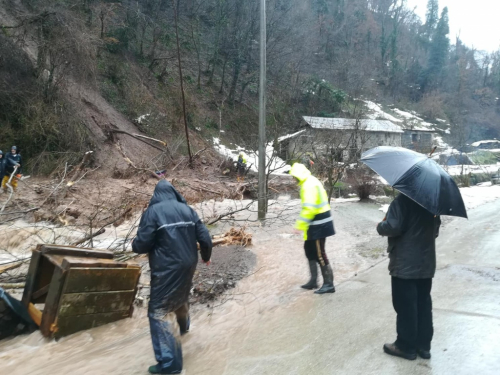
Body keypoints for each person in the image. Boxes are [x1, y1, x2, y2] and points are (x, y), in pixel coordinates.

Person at [132, 180, 212, 374]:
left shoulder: (152, 212)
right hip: (188, 264)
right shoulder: (188, 210)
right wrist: (206, 257)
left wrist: (136, 244)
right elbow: (206, 238)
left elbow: (141, 245)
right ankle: (184, 328)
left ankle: (170, 366)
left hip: (167, 268)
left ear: (156, 195)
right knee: (181, 295)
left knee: (158, 311)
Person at [377, 193, 441, 361]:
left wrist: (381, 225)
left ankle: (405, 346)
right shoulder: (431, 202)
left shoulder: (401, 202)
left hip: (404, 264)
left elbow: (392, 227)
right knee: (423, 304)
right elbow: (435, 231)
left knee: (405, 306)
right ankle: (423, 346)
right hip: (426, 262)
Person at [289, 163, 336, 294]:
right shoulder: (310, 181)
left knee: (320, 254)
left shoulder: (308, 185)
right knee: (309, 250)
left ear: (298, 176)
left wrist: (299, 226)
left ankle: (329, 284)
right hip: (316, 222)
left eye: (294, 177)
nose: (293, 179)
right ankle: (313, 281)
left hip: (319, 223)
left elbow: (309, 208)